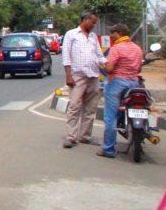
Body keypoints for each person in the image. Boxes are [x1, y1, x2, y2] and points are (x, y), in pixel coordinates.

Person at [97, 23, 144, 158]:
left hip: (117, 83)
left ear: (119, 33)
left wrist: (103, 65)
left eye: (113, 33)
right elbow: (139, 69)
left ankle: (108, 149)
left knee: (110, 117)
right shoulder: (137, 48)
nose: (111, 36)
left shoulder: (116, 48)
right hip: (134, 83)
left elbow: (110, 69)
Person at [62, 10, 102, 148]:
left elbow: (99, 55)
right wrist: (68, 75)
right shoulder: (71, 34)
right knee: (74, 106)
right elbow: (66, 56)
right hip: (78, 76)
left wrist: (110, 63)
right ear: (85, 20)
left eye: (95, 23)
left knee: (90, 108)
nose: (94, 25)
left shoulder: (93, 37)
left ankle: (85, 136)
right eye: (92, 22)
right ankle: (71, 136)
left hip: (93, 75)